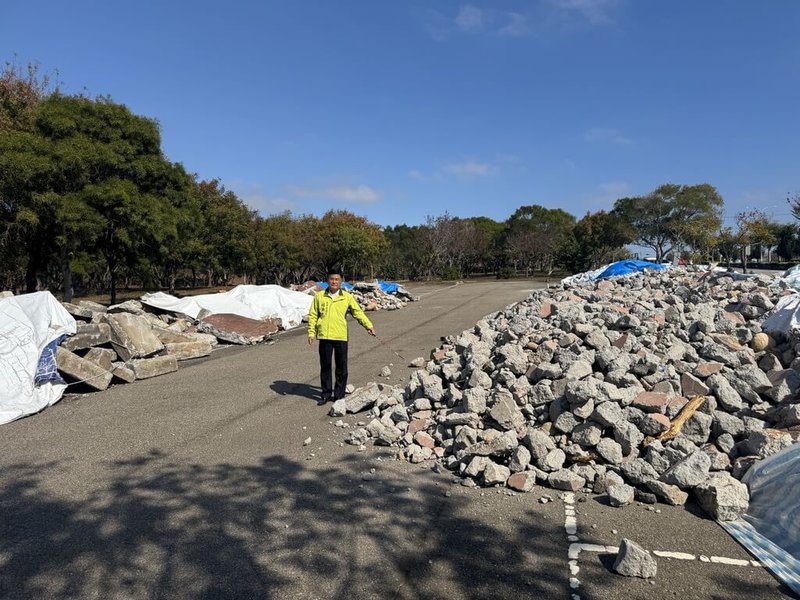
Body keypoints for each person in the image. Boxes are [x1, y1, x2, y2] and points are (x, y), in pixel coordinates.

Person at [307, 270, 375, 405]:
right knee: (325, 366)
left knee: (341, 367)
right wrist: (311, 332)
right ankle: (326, 394)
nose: (334, 282)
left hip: (340, 336)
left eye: (337, 279)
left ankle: (339, 395)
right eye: (331, 279)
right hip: (325, 336)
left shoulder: (347, 297)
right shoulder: (320, 296)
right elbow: (313, 315)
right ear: (327, 281)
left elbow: (357, 312)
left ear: (341, 281)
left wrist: (368, 326)